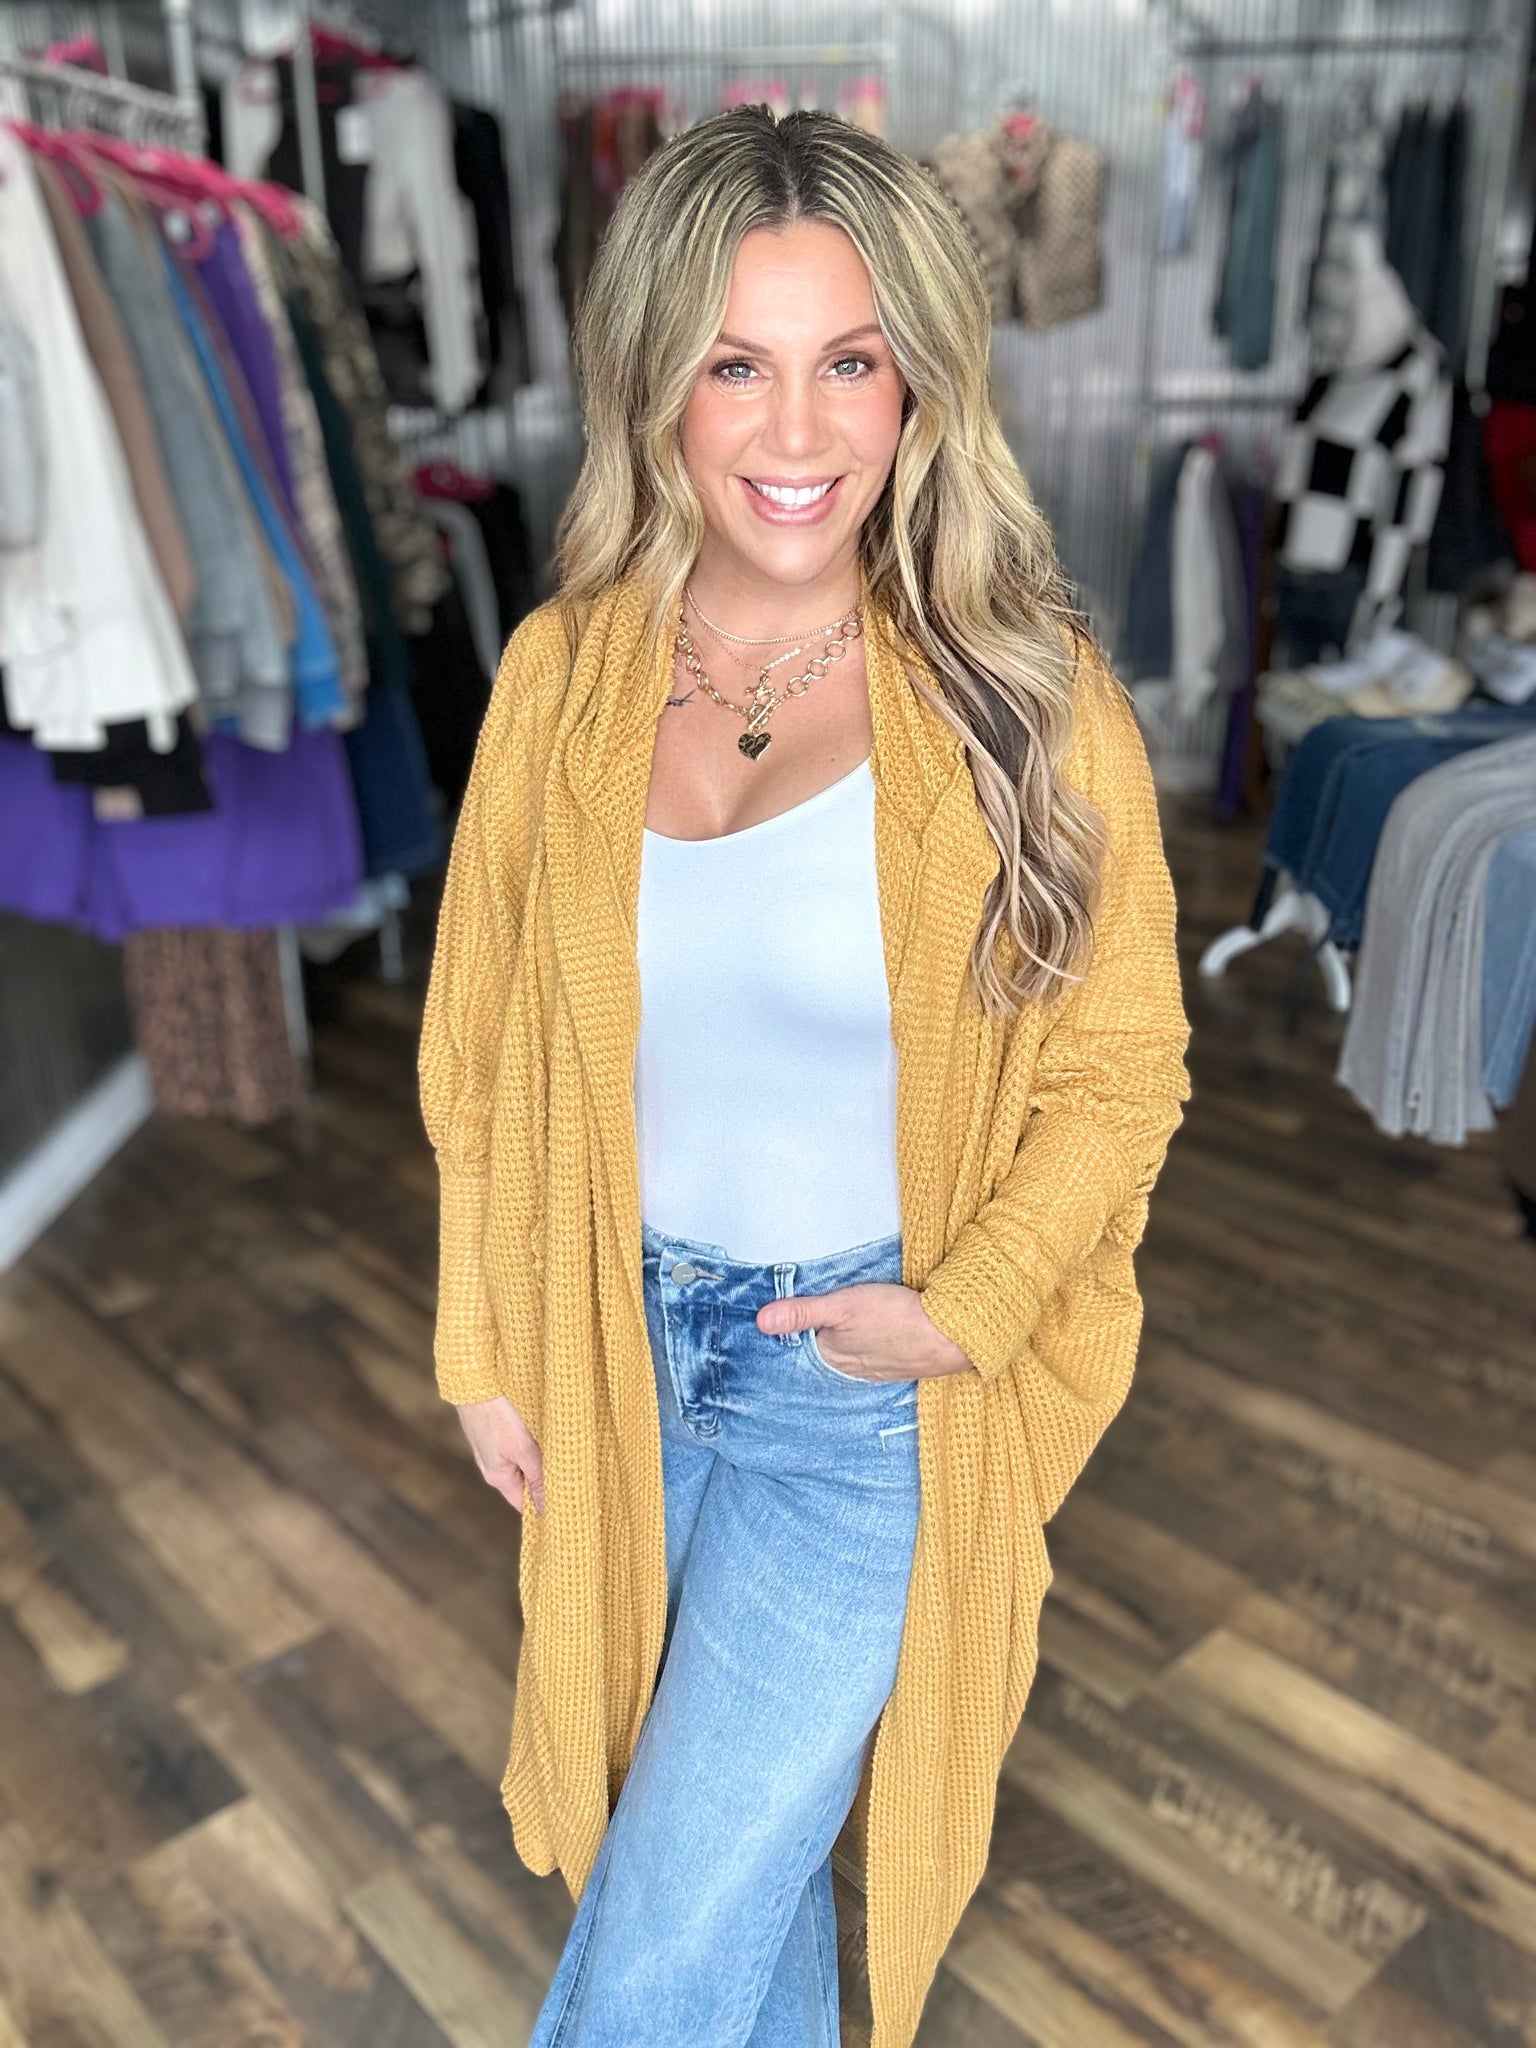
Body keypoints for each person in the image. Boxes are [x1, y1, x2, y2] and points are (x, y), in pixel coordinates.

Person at [418, 102, 1191, 2048]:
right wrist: (484, 1337)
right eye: (734, 365)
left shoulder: (1026, 699)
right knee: (731, 1891)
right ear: (654, 384)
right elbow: (483, 1054)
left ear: (919, 380)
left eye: (849, 361)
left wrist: (968, 1306)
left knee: (663, 1938)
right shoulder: (560, 677)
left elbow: (1124, 1068)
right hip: (615, 1347)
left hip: (853, 1392)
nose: (796, 430)